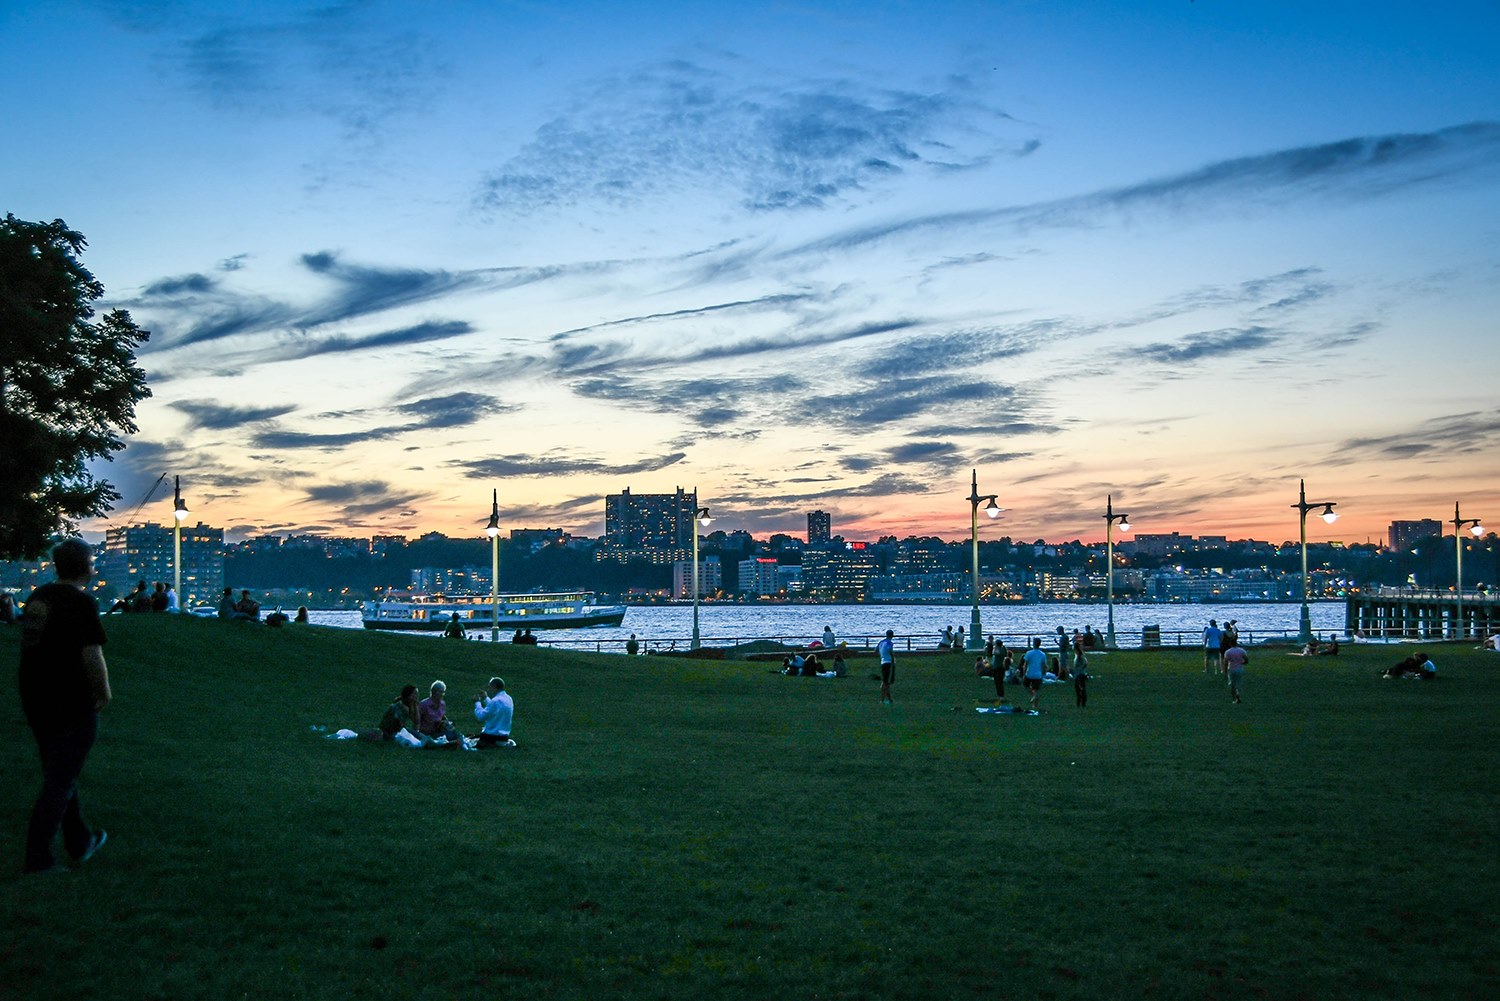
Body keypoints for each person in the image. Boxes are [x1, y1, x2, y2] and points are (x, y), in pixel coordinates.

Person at [18, 539, 111, 874]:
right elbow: (91, 654)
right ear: (85, 566)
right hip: (70, 700)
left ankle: (80, 841)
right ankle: (38, 858)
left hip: (35, 697)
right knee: (60, 779)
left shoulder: (38, 598)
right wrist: (103, 692)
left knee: (59, 772)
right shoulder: (81, 602)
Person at [473, 677, 515, 748]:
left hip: (492, 736)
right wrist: (486, 698)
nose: (489, 689)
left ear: (494, 687)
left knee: (469, 740)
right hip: (504, 737)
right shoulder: (508, 698)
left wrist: (477, 703)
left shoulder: (495, 701)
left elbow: (481, 716)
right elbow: (495, 709)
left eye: (490, 687)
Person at [1021, 637, 1049, 712]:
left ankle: (1034, 696)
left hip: (1029, 673)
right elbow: (1044, 666)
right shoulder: (1042, 654)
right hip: (1038, 674)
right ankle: (1034, 705)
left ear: (1033, 644)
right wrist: (1043, 673)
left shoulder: (1029, 653)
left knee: (1026, 686)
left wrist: (1024, 674)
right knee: (1035, 689)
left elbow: (1025, 665)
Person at [877, 629, 896, 704]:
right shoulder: (889, 643)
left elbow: (876, 650)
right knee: (886, 682)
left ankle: (889, 699)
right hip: (888, 663)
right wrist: (893, 660)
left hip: (883, 662)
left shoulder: (881, 642)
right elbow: (890, 651)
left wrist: (882, 656)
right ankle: (882, 699)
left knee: (886, 681)